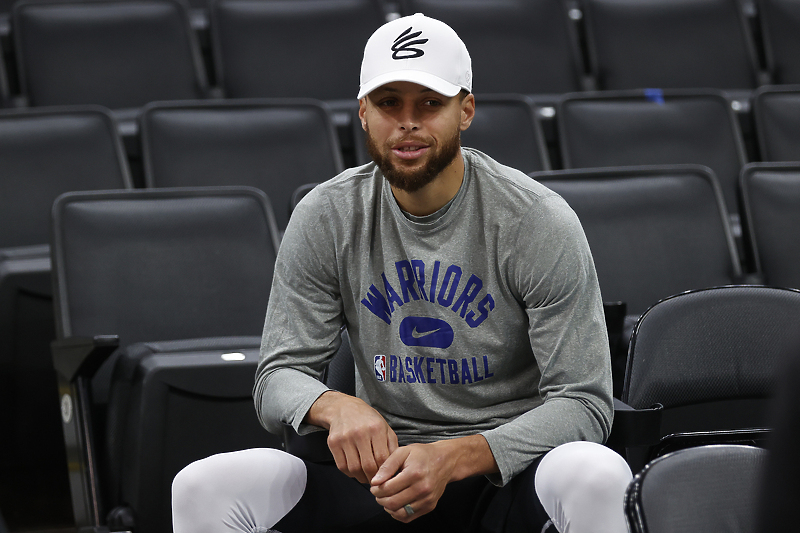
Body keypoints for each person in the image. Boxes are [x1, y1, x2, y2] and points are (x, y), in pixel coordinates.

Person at [172, 13, 632, 533]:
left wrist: (457, 456)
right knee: (201, 486)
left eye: (430, 104)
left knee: (597, 475)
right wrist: (331, 405)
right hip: (381, 478)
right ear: (363, 113)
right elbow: (276, 378)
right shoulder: (328, 214)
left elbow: (585, 404)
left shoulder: (534, 221)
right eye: (390, 103)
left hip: (505, 475)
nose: (408, 122)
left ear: (466, 110)